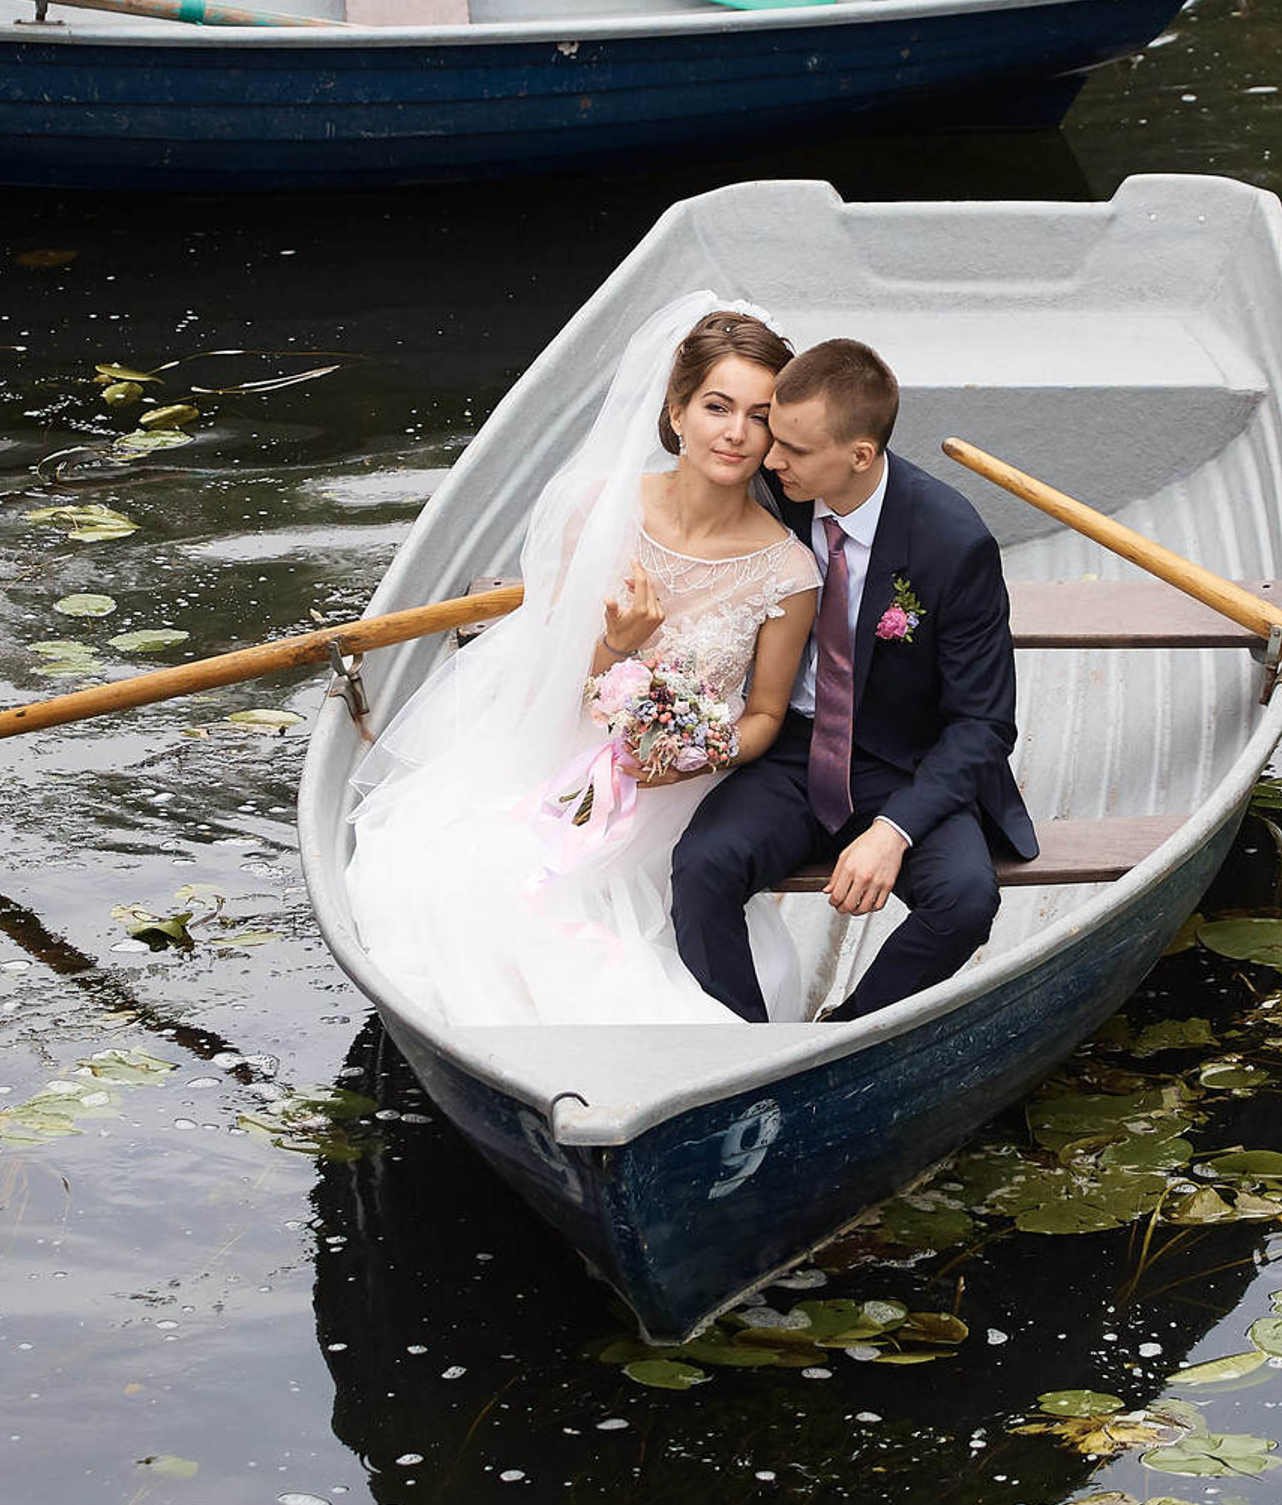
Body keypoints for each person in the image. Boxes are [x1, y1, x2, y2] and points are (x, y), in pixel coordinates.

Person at [343, 298, 821, 1026]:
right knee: (467, 883)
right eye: (717, 407)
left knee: (596, 917)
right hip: (568, 751)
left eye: (759, 417)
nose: (735, 433)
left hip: (686, 785)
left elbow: (763, 716)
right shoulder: (597, 508)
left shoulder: (787, 569)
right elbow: (557, 687)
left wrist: (701, 752)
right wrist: (620, 645)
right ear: (677, 409)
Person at [670, 337, 1037, 1024]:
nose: (767, 458)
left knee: (964, 901)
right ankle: (745, 1050)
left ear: (860, 456)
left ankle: (842, 1037)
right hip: (787, 747)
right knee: (702, 867)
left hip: (904, 764)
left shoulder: (952, 542)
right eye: (771, 437)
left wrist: (894, 830)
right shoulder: (774, 499)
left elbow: (985, 724)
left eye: (793, 449)